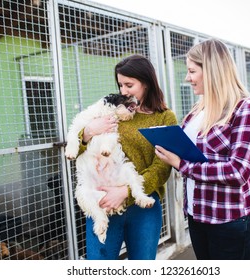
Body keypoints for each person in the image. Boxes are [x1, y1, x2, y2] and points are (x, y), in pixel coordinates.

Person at [155, 39, 250, 260]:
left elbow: (238, 171)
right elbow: (192, 154)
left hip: (230, 219)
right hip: (198, 216)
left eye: (192, 71)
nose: (187, 78)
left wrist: (181, 164)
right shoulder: (197, 112)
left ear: (212, 70)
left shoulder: (245, 109)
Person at [77, 54, 177, 259]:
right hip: (103, 202)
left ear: (147, 82)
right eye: (120, 84)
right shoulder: (112, 108)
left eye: (129, 85)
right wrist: (87, 132)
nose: (123, 91)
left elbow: (161, 168)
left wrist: (126, 191)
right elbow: (77, 151)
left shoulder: (165, 116)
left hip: (144, 204)